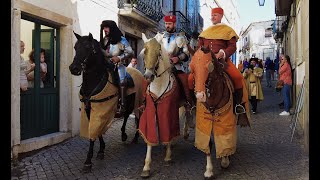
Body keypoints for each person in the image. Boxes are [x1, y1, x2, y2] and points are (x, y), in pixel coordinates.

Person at [196, 7, 249, 123]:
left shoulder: (228, 30)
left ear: (221, 16)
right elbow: (199, 47)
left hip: (222, 62)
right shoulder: (205, 32)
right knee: (191, 78)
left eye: (215, 15)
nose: (213, 17)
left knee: (238, 77)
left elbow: (232, 46)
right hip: (205, 63)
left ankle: (238, 105)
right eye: (212, 15)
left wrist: (223, 52)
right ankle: (192, 104)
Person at [154, 14, 194, 127]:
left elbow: (186, 54)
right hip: (160, 67)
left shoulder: (180, 37)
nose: (167, 26)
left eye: (170, 24)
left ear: (174, 24)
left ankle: (188, 105)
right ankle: (144, 103)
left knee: (186, 81)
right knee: (147, 79)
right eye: (166, 23)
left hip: (175, 67)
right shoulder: (159, 36)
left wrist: (178, 58)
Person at [99, 20, 134, 113]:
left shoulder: (121, 40)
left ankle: (122, 105)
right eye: (104, 28)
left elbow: (130, 52)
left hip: (118, 65)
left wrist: (119, 58)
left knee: (122, 81)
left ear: (112, 28)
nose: (104, 30)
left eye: (106, 27)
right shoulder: (104, 40)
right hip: (105, 65)